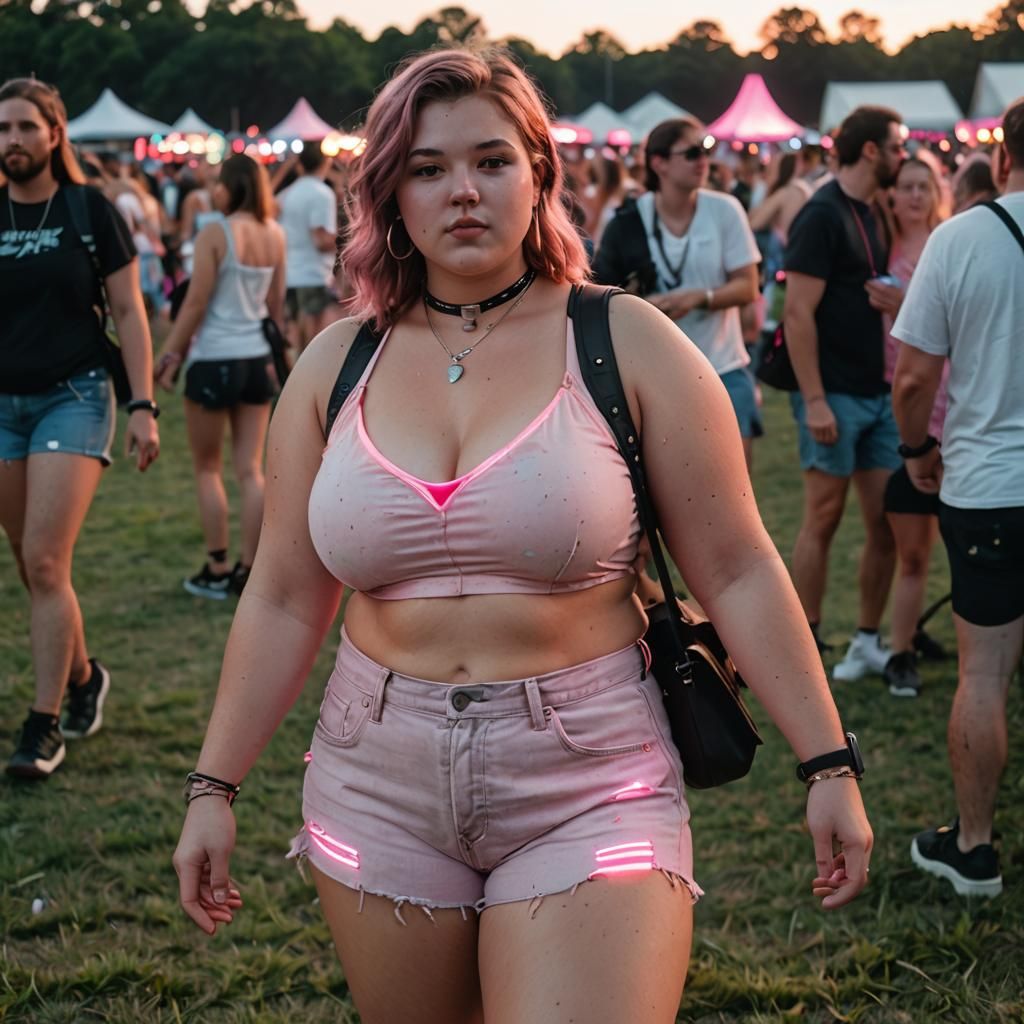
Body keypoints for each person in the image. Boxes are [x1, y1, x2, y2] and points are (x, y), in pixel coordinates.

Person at [172, 48, 871, 1023]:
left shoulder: (624, 342)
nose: (462, 190)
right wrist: (214, 784)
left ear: (541, 173)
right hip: (373, 773)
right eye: (427, 168)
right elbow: (286, 592)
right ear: (389, 192)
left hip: (590, 773)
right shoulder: (336, 364)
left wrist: (826, 761)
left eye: (492, 161)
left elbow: (742, 566)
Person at [0, 77, 160, 779]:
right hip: (4, 404)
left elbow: (128, 311)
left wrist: (144, 404)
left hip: (77, 393)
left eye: (25, 127)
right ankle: (86, 676)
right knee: (36, 568)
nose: (12, 141)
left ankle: (42, 728)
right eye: (2, 129)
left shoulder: (88, 208)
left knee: (42, 559)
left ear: (54, 133)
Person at [891, 97, 1024, 899]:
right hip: (992, 481)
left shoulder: (963, 237)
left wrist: (916, 452)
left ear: (1004, 156)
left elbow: (913, 378)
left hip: (989, 485)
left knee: (983, 673)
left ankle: (973, 848)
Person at [782, 105, 905, 669]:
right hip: (832, 396)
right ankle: (804, 639)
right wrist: (813, 400)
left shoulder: (874, 210)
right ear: (873, 150)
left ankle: (867, 637)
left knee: (884, 523)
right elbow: (797, 314)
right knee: (824, 517)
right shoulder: (822, 213)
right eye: (898, 146)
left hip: (877, 393)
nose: (905, 156)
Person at [593, 118, 762, 468]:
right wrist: (642, 307)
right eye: (692, 153)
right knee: (669, 489)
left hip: (724, 368)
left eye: (707, 151)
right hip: (655, 375)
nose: (704, 161)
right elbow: (599, 297)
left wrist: (702, 297)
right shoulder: (627, 224)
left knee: (737, 486)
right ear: (659, 163)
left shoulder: (724, 210)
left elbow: (748, 286)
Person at [154, 154, 285, 599]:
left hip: (213, 358)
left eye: (218, 183)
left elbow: (195, 303)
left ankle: (217, 567)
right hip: (254, 361)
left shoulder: (217, 231)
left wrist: (169, 355)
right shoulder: (275, 234)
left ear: (231, 186)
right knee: (250, 470)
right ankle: (249, 569)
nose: (213, 190)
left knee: (207, 468)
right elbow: (276, 307)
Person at [868, 158, 949, 697]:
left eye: (926, 186)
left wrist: (908, 305)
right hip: (896, 409)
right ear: (892, 195)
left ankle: (921, 631)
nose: (916, 196)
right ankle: (899, 650)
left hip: (949, 407)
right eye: (907, 187)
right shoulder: (878, 248)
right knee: (910, 543)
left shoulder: (948, 246)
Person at [277, 142, 339, 351]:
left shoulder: (287, 193)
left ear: (299, 165)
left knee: (295, 337)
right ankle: (305, 380)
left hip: (290, 273)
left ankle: (295, 378)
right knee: (312, 341)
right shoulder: (321, 194)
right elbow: (321, 240)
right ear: (325, 163)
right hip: (313, 273)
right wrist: (348, 241)